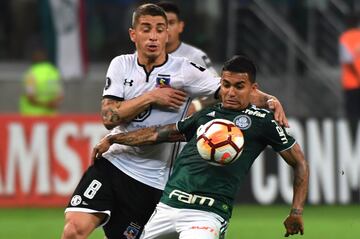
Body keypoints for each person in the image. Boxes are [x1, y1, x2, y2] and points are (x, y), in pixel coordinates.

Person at [61, 4, 287, 239]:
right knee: (74, 230)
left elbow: (234, 90)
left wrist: (270, 100)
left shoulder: (185, 70)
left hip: (152, 180)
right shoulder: (121, 64)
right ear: (133, 34)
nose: (153, 36)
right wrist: (151, 97)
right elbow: (109, 117)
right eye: (146, 29)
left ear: (167, 34)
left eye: (160, 29)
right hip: (113, 163)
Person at [92, 55, 309, 239]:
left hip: (207, 214)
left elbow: (299, 162)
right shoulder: (206, 115)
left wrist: (296, 211)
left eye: (239, 86)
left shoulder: (263, 121)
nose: (231, 92)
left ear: (253, 89)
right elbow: (158, 134)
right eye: (226, 85)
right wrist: (113, 139)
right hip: (168, 206)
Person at [156, 1, 217, 75]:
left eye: (171, 23)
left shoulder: (196, 57)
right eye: (161, 24)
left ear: (180, 26)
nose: (167, 28)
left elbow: (215, 84)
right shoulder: (142, 57)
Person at [19, 48, 63, 115]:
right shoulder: (53, 72)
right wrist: (52, 104)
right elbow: (60, 95)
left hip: (32, 116)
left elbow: (30, 97)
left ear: (33, 59)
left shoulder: (31, 74)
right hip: (50, 116)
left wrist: (45, 105)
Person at [339, 13, 360, 119]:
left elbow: (347, 60)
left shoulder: (345, 38)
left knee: (352, 114)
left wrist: (357, 76)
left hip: (351, 83)